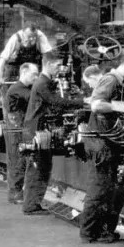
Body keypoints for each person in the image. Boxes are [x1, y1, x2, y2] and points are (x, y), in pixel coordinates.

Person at [81, 51, 124, 243]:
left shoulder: (120, 84)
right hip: (100, 142)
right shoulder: (110, 80)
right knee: (100, 188)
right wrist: (123, 107)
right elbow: (96, 105)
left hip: (109, 142)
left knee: (110, 190)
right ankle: (88, 233)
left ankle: (102, 231)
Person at [21, 53, 87, 215]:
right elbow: (56, 101)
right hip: (36, 130)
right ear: (49, 64)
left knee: (42, 168)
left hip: (38, 128)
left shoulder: (45, 82)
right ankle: (30, 206)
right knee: (37, 169)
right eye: (57, 65)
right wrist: (82, 102)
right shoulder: (42, 83)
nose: (60, 68)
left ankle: (33, 204)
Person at [3, 63, 39, 204]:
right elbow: (34, 99)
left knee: (21, 159)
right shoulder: (18, 89)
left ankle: (18, 192)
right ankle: (15, 194)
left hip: (19, 127)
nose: (36, 77)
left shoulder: (23, 88)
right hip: (16, 129)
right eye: (33, 74)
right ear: (23, 72)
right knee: (17, 160)